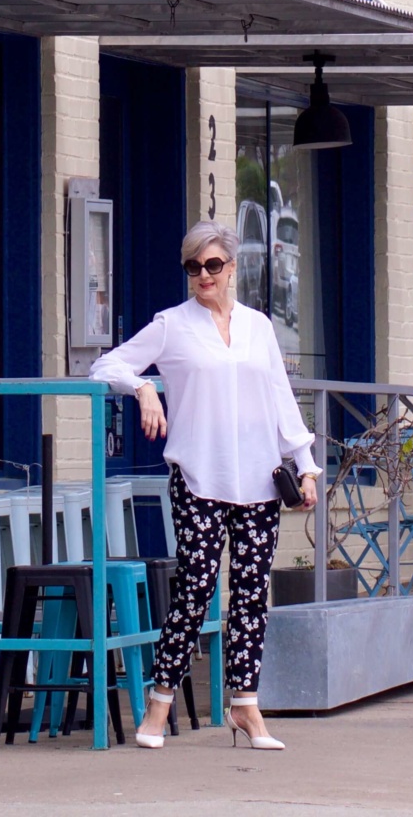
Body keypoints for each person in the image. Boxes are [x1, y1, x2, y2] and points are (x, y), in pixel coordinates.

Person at [88, 220, 319, 752]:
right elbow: (106, 364)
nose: (204, 275)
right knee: (194, 588)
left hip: (260, 479)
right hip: (198, 477)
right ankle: (160, 700)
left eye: (213, 265)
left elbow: (281, 401)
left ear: (232, 268)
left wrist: (304, 465)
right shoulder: (172, 325)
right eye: (194, 267)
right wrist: (144, 388)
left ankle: (246, 707)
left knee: (250, 596)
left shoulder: (260, 327)